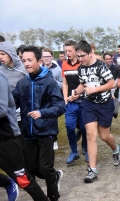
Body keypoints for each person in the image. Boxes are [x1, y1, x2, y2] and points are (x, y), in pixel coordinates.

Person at [12, 46, 66, 201]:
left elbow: (60, 106)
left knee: (45, 166)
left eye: (30, 60)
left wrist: (42, 113)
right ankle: (54, 176)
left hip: (46, 131)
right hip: (27, 133)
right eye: (24, 61)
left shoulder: (49, 82)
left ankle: (53, 195)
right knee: (32, 168)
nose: (26, 63)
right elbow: (11, 103)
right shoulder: (22, 83)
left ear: (39, 61)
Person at [73, 40, 120, 183]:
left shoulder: (101, 66)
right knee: (90, 135)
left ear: (90, 53)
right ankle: (92, 170)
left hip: (105, 104)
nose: (80, 59)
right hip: (88, 104)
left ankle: (116, 149)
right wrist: (76, 92)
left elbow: (112, 83)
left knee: (104, 136)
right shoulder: (81, 68)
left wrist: (94, 89)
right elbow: (83, 83)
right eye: (78, 56)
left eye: (82, 56)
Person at [0, 71, 49, 201]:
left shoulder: (0, 77)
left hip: (6, 137)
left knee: (23, 179)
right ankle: (7, 182)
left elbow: (2, 110)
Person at [62, 40, 88, 163]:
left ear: (76, 51)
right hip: (70, 102)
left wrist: (78, 95)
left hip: (83, 100)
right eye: (66, 51)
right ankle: (74, 152)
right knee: (69, 126)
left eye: (70, 51)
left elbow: (86, 83)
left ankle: (86, 149)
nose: (68, 53)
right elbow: (65, 82)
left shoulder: (82, 65)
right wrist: (65, 98)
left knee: (84, 128)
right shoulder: (64, 65)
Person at [103, 52, 119, 118]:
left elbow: (118, 79)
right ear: (103, 60)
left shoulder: (116, 68)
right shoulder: (101, 69)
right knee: (107, 112)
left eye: (110, 59)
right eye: (107, 59)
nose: (109, 60)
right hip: (105, 93)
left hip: (115, 93)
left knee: (115, 112)